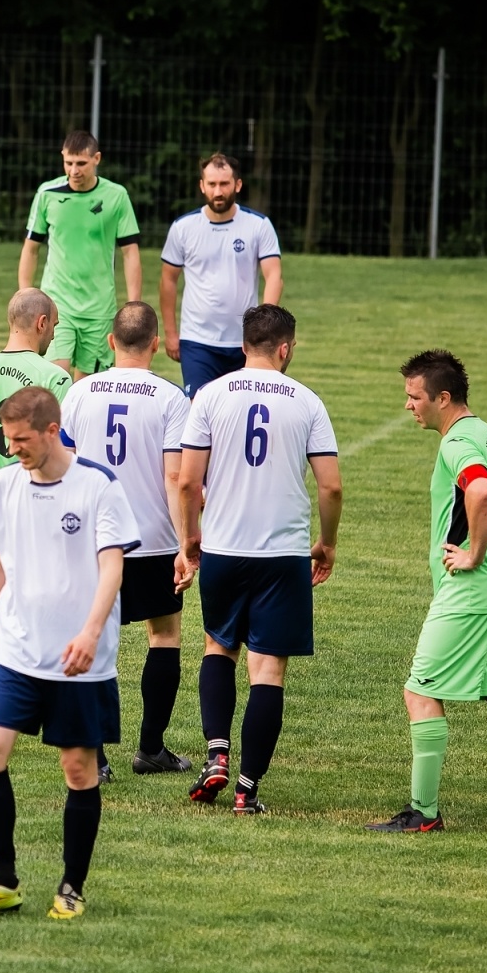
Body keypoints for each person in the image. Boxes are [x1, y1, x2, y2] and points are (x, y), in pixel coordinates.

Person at [0, 387, 138, 922]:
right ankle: (1, 880)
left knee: (78, 770)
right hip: (15, 651)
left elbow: (112, 566)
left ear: (52, 431)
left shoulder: (97, 486)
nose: (13, 450)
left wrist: (90, 633)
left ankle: (71, 886)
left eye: (22, 440)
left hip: (80, 660)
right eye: (8, 440)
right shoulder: (7, 484)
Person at [175, 304, 341, 814]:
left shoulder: (210, 394)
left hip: (224, 547)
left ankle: (217, 755)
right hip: (282, 552)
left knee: (217, 647)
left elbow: (186, 481)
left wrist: (189, 541)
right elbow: (331, 485)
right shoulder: (307, 401)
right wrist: (327, 543)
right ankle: (247, 790)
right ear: (285, 347)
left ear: (243, 344)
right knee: (267, 670)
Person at [366, 351, 487, 832]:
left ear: (442, 397)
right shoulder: (486, 433)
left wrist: (477, 553)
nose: (409, 406)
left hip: (471, 592)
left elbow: (481, 492)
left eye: (415, 397)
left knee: (419, 692)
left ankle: (423, 813)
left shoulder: (457, 443)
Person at [60, 301, 192, 778]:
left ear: (110, 342)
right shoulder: (171, 398)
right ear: (156, 344)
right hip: (152, 540)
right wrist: (186, 543)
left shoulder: (79, 393)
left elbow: (65, 468)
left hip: (95, 540)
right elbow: (177, 476)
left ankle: (96, 756)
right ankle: (151, 749)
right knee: (164, 636)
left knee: (94, 638)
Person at [0, 288, 71, 753]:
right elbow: (65, 452)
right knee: (49, 610)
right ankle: (55, 719)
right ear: (41, 323)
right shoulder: (54, 378)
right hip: (35, 508)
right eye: (55, 326)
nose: (55, 333)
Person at [18, 130, 142, 380]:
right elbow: (31, 248)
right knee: (56, 380)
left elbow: (130, 253)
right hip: (56, 304)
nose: (74, 170)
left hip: (99, 309)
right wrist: (25, 294)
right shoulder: (47, 194)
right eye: (69, 162)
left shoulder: (116, 196)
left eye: (81, 163)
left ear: (97, 159)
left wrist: (133, 305)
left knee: (86, 389)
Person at [160, 153, 283, 398]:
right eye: (212, 184)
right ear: (202, 185)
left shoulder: (258, 225)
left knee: (240, 414)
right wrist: (172, 333)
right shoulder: (183, 228)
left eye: (224, 184)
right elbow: (168, 281)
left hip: (246, 342)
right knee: (198, 412)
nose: (218, 191)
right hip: (197, 341)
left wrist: (263, 329)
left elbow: (274, 276)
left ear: (237, 185)